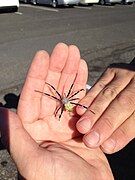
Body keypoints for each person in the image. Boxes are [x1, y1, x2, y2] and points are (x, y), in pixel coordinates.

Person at [0, 43, 114, 179]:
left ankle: (65, 111)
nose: (64, 97)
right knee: (59, 97)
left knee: (66, 97)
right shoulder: (64, 100)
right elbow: (58, 96)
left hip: (68, 105)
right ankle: (61, 110)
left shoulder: (65, 100)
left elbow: (68, 93)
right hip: (67, 105)